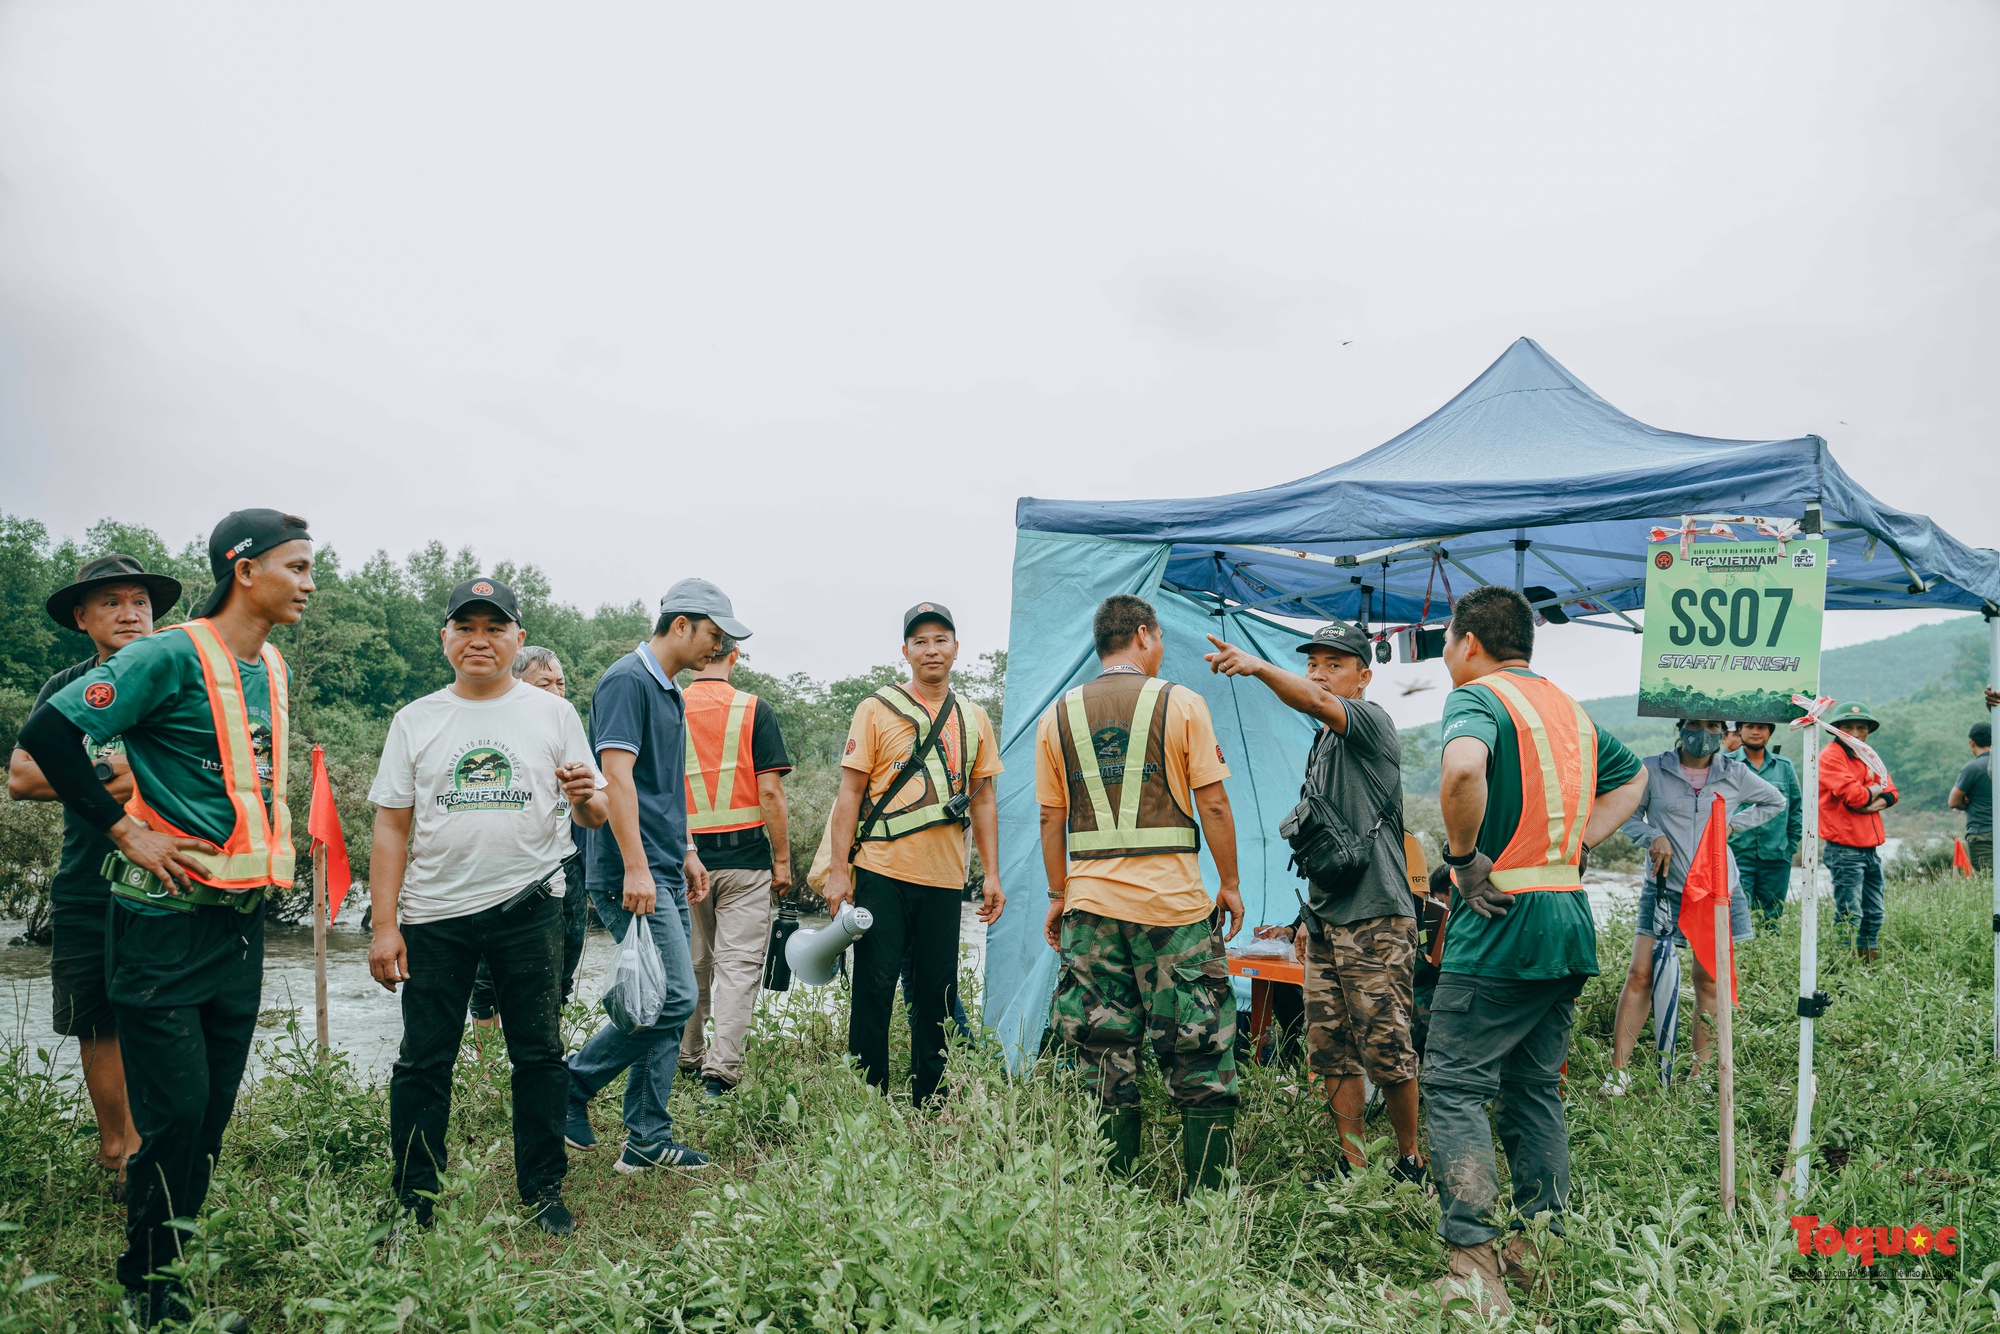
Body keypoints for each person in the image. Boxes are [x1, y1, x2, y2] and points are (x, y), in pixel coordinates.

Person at [16, 509, 314, 1330]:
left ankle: (167, 1266)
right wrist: (122, 829)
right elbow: (46, 733)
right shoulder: (167, 653)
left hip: (240, 923)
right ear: (244, 569)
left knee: (209, 1113)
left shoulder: (271, 665)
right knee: (175, 1114)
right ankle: (154, 1295)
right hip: (159, 924)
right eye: (296, 566)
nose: (309, 583)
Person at [1418, 585, 1647, 1317]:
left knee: (1453, 1084)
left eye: (1447, 642)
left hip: (1502, 918)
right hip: (1566, 916)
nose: (1447, 655)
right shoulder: (1565, 709)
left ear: (1469, 642)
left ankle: (1472, 1269)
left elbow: (1459, 772)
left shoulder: (1478, 697)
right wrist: (1577, 844)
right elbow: (1634, 777)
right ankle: (1536, 1250)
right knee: (1532, 1087)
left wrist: (1462, 859)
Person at [366, 580, 607, 1235]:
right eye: (464, 626)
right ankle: (414, 1202)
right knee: (424, 1061)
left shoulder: (553, 715)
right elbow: (391, 827)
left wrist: (587, 796)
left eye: (494, 627)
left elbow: (594, 810)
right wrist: (384, 925)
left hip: (529, 908)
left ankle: (543, 1192)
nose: (479, 639)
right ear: (444, 637)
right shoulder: (415, 719)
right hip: (433, 916)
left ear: (517, 639)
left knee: (538, 1054)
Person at [1203, 621, 1422, 1181]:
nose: (1320, 672)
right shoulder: (1324, 742)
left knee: (1388, 1047)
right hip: (1328, 919)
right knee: (1332, 1049)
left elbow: (1318, 701)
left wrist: (1256, 666)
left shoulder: (1369, 722)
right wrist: (1306, 917)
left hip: (1376, 915)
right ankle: (1353, 1166)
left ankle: (1409, 1161)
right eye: (1314, 662)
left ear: (1364, 676)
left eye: (1335, 663)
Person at [1040, 595, 1242, 1189]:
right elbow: (1213, 802)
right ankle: (1207, 1198)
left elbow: (1051, 820)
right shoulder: (1181, 702)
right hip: (1172, 911)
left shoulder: (1060, 714)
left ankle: (1113, 1192)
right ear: (1145, 635)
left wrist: (1059, 894)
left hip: (1091, 908)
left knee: (1102, 1047)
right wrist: (1228, 884)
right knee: (1200, 1045)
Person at [7, 555, 181, 1196]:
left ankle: (166, 1151)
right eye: (111, 602)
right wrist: (119, 776)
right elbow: (23, 777)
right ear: (82, 617)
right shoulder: (66, 685)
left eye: (140, 600)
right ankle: (119, 1157)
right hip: (88, 875)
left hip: (172, 875)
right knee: (96, 1019)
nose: (130, 612)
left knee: (166, 1014)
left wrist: (88, 774)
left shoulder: (174, 676)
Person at [565, 579, 743, 1172]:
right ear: (682, 624)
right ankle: (571, 1085)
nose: (716, 649)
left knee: (660, 1000)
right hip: (627, 870)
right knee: (674, 999)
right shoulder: (626, 681)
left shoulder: (667, 690)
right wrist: (639, 868)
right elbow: (615, 782)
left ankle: (645, 1139)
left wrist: (687, 848)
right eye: (713, 635)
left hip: (663, 866)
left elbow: (662, 787)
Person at [823, 602, 1004, 1107]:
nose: (931, 649)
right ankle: (868, 1099)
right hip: (881, 871)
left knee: (938, 992)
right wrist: (841, 873)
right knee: (875, 987)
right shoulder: (876, 708)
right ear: (905, 651)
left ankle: (935, 1098)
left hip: (946, 877)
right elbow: (849, 796)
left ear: (956, 648)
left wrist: (990, 874)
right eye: (920, 641)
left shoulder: (975, 717)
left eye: (940, 639)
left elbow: (984, 798)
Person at [1607, 719, 1785, 1088]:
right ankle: (1619, 1072)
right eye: (1694, 724)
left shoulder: (1734, 773)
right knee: (1641, 975)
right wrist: (1652, 835)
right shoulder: (1652, 769)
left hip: (1716, 889)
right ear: (1681, 727)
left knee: (1707, 980)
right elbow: (1625, 814)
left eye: (1712, 726)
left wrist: (1732, 825)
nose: (1702, 733)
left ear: (1723, 733)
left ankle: (1701, 1074)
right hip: (1663, 886)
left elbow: (1775, 800)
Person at [678, 635, 792, 1098]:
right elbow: (770, 793)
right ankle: (720, 1074)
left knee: (692, 963)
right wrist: (782, 859)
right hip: (745, 861)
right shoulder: (754, 709)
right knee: (738, 967)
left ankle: (686, 1055)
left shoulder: (672, 704)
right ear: (735, 656)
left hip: (683, 860)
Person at [469, 646, 594, 1031]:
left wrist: (584, 796)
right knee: (488, 984)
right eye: (545, 684)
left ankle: (544, 1066)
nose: (558, 693)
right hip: (503, 873)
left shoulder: (567, 734)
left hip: (563, 870)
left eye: (561, 684)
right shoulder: (490, 739)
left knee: (558, 980)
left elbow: (595, 813)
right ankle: (488, 1080)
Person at [1819, 701, 1898, 962]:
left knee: (1874, 912)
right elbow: (1856, 797)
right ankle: (1843, 966)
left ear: (1867, 730)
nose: (1854, 732)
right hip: (1844, 849)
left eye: (1860, 727)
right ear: (1836, 729)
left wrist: (1872, 796)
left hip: (1870, 849)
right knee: (1849, 913)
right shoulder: (1831, 756)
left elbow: (1893, 792)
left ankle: (1867, 965)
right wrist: (1875, 789)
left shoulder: (1869, 755)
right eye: (1847, 726)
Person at [1728, 720, 1802, 931]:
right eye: (1749, 727)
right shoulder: (1727, 764)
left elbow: (1796, 808)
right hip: (1737, 853)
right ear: (1739, 730)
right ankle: (1742, 961)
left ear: (1770, 732)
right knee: (1737, 914)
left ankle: (1767, 958)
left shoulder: (1784, 767)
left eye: (1761, 727)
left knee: (1772, 916)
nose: (1755, 732)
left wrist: (1790, 846)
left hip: (1776, 855)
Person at [1949, 722, 1991, 874]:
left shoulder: (1972, 768)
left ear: (1971, 743)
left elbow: (1953, 802)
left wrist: (1965, 802)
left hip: (1982, 836)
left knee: (1989, 883)